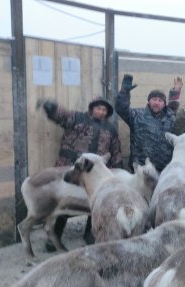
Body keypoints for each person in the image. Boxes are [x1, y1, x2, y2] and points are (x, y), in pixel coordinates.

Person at [38, 96, 122, 247]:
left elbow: (115, 150)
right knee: (66, 202)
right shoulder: (77, 119)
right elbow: (61, 116)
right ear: (92, 109)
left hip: (94, 175)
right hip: (73, 170)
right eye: (98, 108)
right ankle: (54, 236)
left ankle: (89, 234)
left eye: (104, 110)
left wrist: (117, 169)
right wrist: (50, 106)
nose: (101, 112)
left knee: (94, 203)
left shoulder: (110, 129)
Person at [115, 74, 182, 172]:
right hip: (141, 169)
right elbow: (121, 109)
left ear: (164, 104)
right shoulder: (137, 115)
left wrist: (175, 91)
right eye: (154, 99)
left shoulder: (170, 117)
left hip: (164, 170)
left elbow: (172, 107)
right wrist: (124, 92)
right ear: (149, 101)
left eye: (160, 100)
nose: (156, 103)